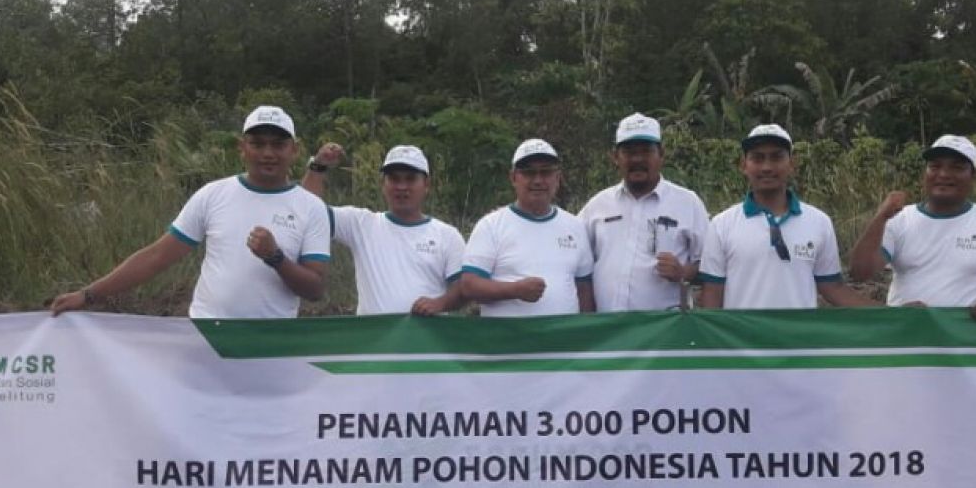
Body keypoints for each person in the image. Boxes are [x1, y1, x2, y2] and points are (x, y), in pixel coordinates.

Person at [50, 105, 330, 318]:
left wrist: (275, 257)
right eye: (257, 144)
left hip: (272, 346)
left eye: (278, 144)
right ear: (242, 148)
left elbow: (314, 289)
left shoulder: (311, 207)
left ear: (294, 150)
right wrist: (88, 296)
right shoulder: (213, 195)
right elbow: (157, 257)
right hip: (206, 337)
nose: (268, 153)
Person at [848, 134, 976, 321]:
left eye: (957, 167)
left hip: (965, 345)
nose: (944, 174)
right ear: (925, 173)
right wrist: (880, 217)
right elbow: (860, 273)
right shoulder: (899, 219)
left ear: (973, 176)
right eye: (935, 166)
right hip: (905, 340)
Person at [698, 124, 873, 309]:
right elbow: (712, 294)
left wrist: (891, 316)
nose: (766, 167)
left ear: (792, 164)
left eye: (777, 157)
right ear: (744, 165)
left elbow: (833, 288)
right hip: (742, 338)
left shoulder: (819, 222)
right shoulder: (721, 225)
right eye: (757, 158)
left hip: (800, 337)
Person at [301, 142, 466, 315]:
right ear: (383, 184)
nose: (402, 187)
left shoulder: (448, 235)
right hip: (374, 339)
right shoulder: (361, 224)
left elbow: (464, 288)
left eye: (410, 178)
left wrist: (440, 303)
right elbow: (308, 211)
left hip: (427, 340)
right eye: (394, 178)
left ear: (426, 184)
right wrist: (317, 167)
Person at [578, 113, 708, 311]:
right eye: (629, 152)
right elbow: (576, 260)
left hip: (664, 330)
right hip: (607, 330)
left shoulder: (688, 203)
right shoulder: (596, 206)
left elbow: (710, 265)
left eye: (646, 151)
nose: (637, 159)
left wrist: (684, 272)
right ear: (615, 157)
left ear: (661, 154)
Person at [460, 139, 596, 316]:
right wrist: (515, 290)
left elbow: (584, 289)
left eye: (546, 172)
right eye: (529, 173)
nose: (538, 180)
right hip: (506, 340)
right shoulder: (491, 226)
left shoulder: (575, 226)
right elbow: (469, 286)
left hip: (562, 341)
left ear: (558, 178)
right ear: (513, 178)